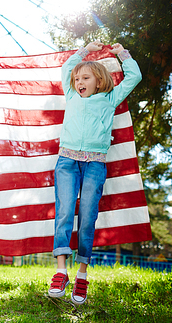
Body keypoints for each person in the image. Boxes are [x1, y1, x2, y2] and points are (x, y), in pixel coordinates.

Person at [47, 41, 142, 305]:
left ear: (99, 81)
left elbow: (135, 76)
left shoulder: (111, 98)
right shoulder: (72, 95)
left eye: (85, 77)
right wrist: (83, 51)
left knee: (87, 217)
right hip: (66, 161)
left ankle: (82, 275)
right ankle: (60, 271)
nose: (79, 81)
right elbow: (67, 68)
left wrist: (122, 54)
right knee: (65, 211)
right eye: (77, 78)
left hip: (95, 165)